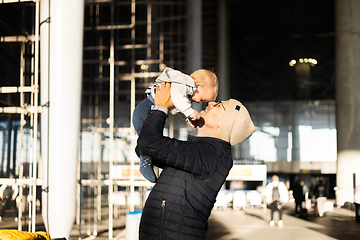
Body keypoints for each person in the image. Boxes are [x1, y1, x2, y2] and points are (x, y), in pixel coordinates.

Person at [136, 81, 255, 239]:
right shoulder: (201, 151)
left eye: (219, 105)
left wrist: (161, 107)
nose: (211, 103)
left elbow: (149, 143)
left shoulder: (212, 155)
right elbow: (146, 148)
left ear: (223, 124)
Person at [132, 67, 218, 183]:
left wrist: (188, 117)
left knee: (149, 139)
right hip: (145, 111)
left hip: (148, 111)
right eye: (202, 99)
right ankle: (145, 162)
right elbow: (177, 99)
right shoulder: (183, 84)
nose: (198, 102)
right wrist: (190, 112)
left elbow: (178, 107)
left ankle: (146, 159)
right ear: (199, 86)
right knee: (148, 140)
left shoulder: (186, 92)